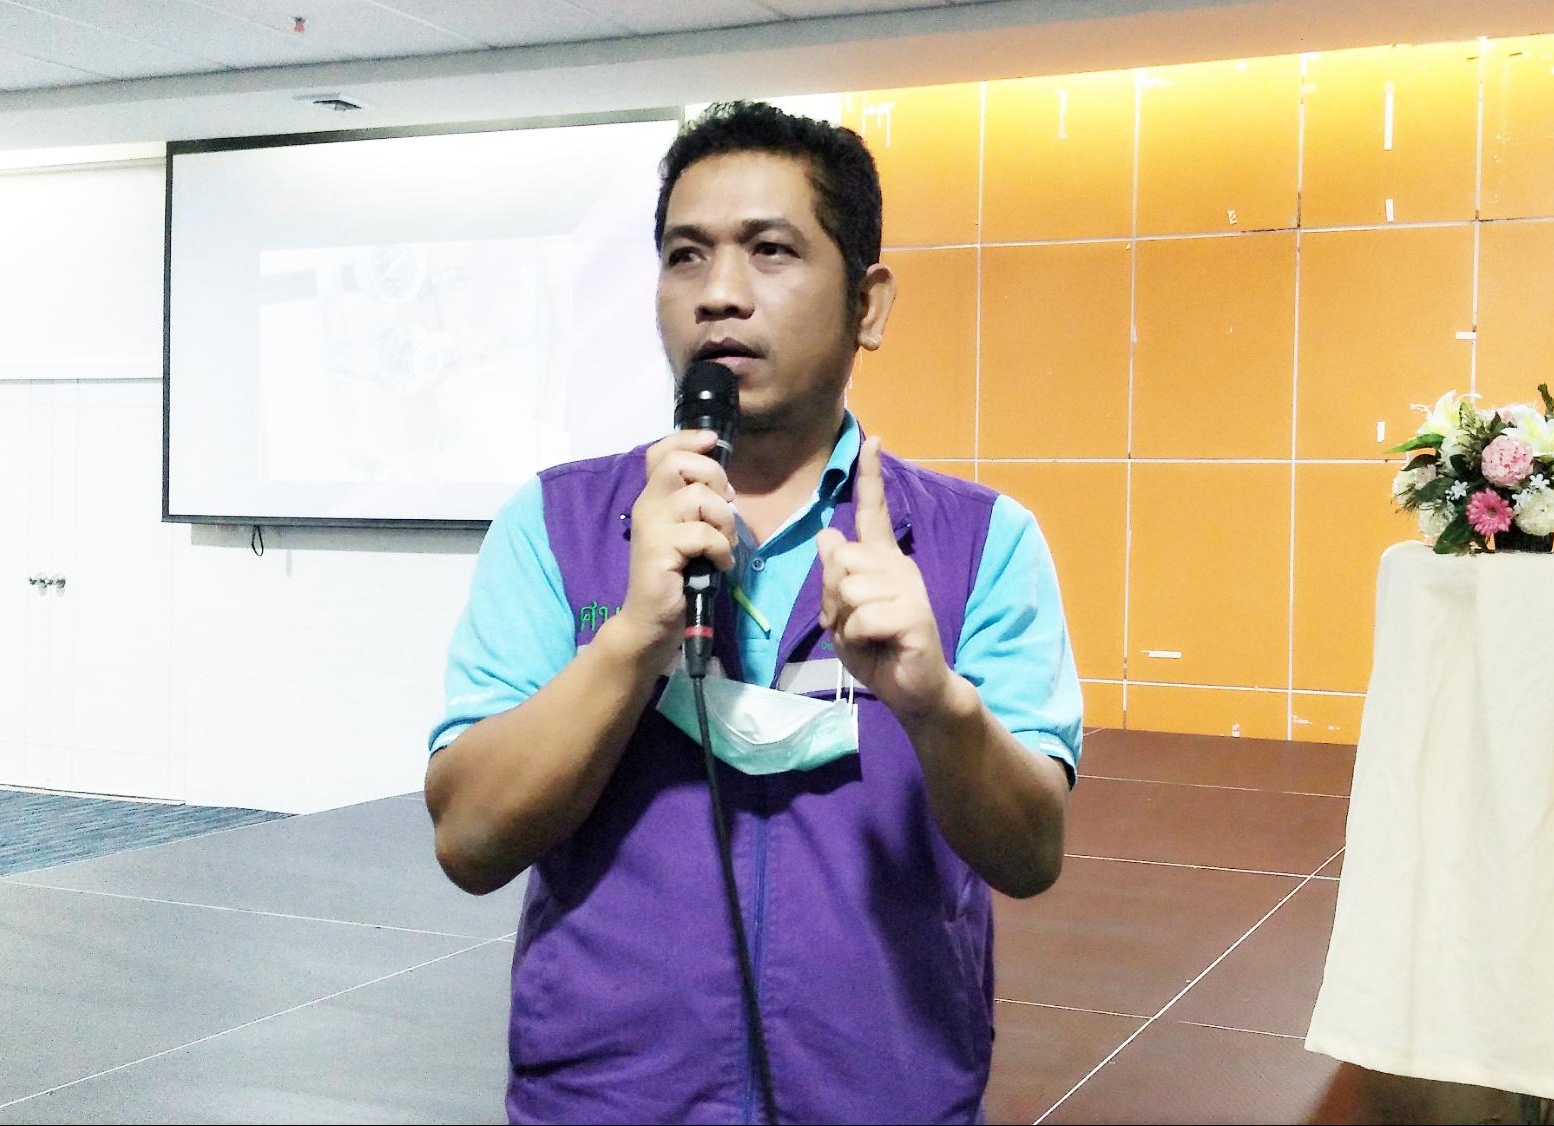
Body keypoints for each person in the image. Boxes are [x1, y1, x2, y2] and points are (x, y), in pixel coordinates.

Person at [424, 101, 1083, 1124]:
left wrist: (937, 705)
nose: (719, 293)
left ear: (867, 304)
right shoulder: (554, 526)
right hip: (606, 1101)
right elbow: (469, 840)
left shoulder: (980, 543)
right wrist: (630, 644)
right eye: (685, 256)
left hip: (883, 1099)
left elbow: (1029, 853)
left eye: (770, 250)